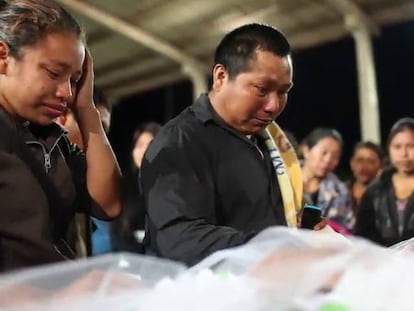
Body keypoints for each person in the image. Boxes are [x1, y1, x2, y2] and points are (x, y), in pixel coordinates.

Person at [140, 23, 323, 266]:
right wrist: (273, 247)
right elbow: (178, 240)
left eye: (283, 91)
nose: (273, 105)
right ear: (220, 77)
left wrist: (305, 233)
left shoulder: (271, 140)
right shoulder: (178, 143)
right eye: (262, 89)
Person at [0, 0, 122, 272]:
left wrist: (86, 108)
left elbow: (109, 205)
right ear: (2, 57)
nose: (67, 92)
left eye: (74, 79)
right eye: (54, 73)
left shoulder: (50, 139)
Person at [354, 118, 414, 246]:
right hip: (383, 262)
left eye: (411, 146)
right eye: (397, 147)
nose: (404, 154)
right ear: (389, 149)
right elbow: (362, 236)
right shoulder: (376, 189)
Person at [111, 122, 161, 253]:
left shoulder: (172, 186)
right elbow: (116, 232)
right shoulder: (123, 185)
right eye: (139, 145)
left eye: (150, 145)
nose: (143, 151)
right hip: (129, 258)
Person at [301, 128, 353, 233]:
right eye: (324, 152)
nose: (328, 160)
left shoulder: (339, 190)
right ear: (306, 150)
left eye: (335, 156)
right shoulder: (283, 175)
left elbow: (344, 229)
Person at [348, 141, 383, 214]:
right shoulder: (339, 192)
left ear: (380, 165)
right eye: (360, 160)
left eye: (371, 161)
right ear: (352, 163)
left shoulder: (387, 196)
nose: (364, 167)